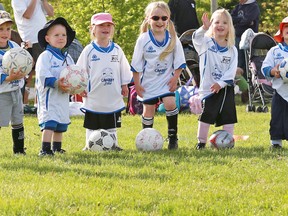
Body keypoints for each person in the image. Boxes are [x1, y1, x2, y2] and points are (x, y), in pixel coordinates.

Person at [131, 1, 186, 150]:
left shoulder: (173, 38)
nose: (160, 21)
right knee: (148, 110)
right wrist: (137, 84)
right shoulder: (143, 39)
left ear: (168, 19)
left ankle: (173, 138)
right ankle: (145, 138)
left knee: (170, 103)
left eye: (164, 18)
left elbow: (180, 62)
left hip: (166, 82)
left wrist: (175, 78)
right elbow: (136, 65)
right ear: (148, 19)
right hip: (148, 83)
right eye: (155, 18)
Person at [77, 12, 132, 151]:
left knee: (111, 121)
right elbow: (80, 70)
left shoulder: (117, 50)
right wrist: (81, 86)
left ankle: (113, 144)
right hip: (94, 94)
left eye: (108, 25)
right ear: (93, 29)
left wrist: (124, 84)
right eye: (101, 25)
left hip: (112, 94)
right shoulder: (88, 51)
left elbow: (124, 68)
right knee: (92, 122)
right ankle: (88, 144)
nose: (105, 28)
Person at [192, 9, 238, 150]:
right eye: (216, 22)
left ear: (229, 27)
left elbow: (231, 71)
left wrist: (221, 83)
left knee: (228, 115)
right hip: (209, 88)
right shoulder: (206, 43)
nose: (220, 25)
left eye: (224, 22)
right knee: (207, 115)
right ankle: (201, 142)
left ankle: (228, 141)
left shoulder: (232, 50)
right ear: (212, 25)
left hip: (225, 88)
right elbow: (195, 37)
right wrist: (203, 28)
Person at [35, 17, 75, 156]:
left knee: (60, 124)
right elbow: (42, 75)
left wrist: (78, 87)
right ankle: (45, 149)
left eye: (63, 35)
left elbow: (75, 75)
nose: (61, 38)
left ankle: (57, 147)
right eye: (56, 35)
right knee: (50, 122)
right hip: (50, 97)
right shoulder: (45, 56)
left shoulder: (68, 58)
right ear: (47, 38)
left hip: (63, 97)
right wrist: (57, 83)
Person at [11, 0, 54, 107]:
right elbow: (27, 15)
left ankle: (38, 104)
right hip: (30, 40)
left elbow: (51, 13)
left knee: (42, 72)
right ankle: (22, 104)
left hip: (44, 39)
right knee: (26, 75)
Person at [0, 10, 26, 154]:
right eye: (1, 29)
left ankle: (19, 150)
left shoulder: (15, 46)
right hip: (2, 93)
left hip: (16, 90)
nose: (5, 32)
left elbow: (25, 62)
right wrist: (7, 78)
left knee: (18, 120)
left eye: (8, 29)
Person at [261, 17, 288, 149]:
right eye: (286, 27)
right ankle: (276, 143)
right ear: (281, 32)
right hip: (280, 92)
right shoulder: (275, 51)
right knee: (277, 118)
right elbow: (265, 67)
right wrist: (273, 71)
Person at [230, 0, 260, 103]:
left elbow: (248, 21)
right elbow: (231, 19)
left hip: (249, 41)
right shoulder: (238, 6)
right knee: (239, 66)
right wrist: (241, 20)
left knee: (249, 66)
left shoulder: (253, 6)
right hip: (237, 39)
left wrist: (238, 21)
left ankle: (250, 90)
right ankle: (244, 90)